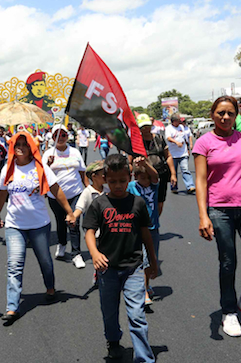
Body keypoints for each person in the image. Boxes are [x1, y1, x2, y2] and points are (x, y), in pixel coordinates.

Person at [194, 96, 241, 337]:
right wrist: (203, 215)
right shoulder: (204, 143)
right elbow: (201, 180)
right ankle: (228, 310)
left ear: (236, 115)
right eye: (220, 113)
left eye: (230, 113)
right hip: (219, 210)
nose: (225, 117)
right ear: (212, 114)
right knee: (228, 262)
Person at [0, 132, 76, 324]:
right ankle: (12, 307)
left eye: (25, 144)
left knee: (45, 261)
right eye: (17, 144)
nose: (21, 147)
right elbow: (1, 193)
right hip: (15, 224)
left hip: (39, 224)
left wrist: (69, 211)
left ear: (31, 147)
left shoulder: (40, 167)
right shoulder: (8, 168)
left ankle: (50, 288)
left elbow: (56, 190)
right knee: (14, 264)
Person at [83, 154, 157, 362]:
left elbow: (146, 234)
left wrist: (152, 262)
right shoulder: (99, 204)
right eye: (113, 181)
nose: (117, 185)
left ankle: (144, 358)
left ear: (129, 178)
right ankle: (113, 341)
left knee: (137, 315)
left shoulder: (137, 203)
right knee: (109, 312)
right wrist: (95, 253)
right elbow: (89, 231)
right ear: (105, 179)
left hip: (134, 267)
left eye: (122, 181)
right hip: (108, 269)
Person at [42, 125, 88, 268]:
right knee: (61, 222)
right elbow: (42, 175)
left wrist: (89, 188)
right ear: (52, 138)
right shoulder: (48, 154)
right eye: (57, 135)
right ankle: (62, 244)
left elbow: (82, 172)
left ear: (68, 136)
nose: (60, 138)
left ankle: (76, 253)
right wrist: (48, 164)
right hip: (55, 196)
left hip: (75, 193)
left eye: (63, 135)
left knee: (74, 223)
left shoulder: (75, 152)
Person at [127, 157, 160, 307]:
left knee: (152, 259)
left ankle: (146, 285)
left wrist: (145, 164)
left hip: (153, 228)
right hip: (138, 228)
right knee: (144, 260)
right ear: (136, 176)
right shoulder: (132, 186)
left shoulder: (154, 185)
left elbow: (155, 176)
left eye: (147, 178)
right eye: (142, 178)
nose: (146, 181)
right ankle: (144, 291)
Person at [134, 114, 176, 221]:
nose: (145, 129)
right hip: (143, 176)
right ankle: (145, 224)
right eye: (143, 127)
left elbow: (168, 156)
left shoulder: (159, 138)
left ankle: (153, 222)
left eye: (147, 126)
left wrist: (173, 174)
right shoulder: (136, 141)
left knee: (159, 201)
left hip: (161, 174)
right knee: (144, 201)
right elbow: (130, 161)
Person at [165, 113, 195, 194]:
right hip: (173, 154)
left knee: (185, 169)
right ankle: (174, 187)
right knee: (173, 172)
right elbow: (168, 138)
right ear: (174, 121)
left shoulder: (181, 127)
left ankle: (190, 186)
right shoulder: (168, 128)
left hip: (183, 153)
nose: (180, 122)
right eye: (178, 121)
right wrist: (176, 142)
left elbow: (186, 137)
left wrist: (188, 147)